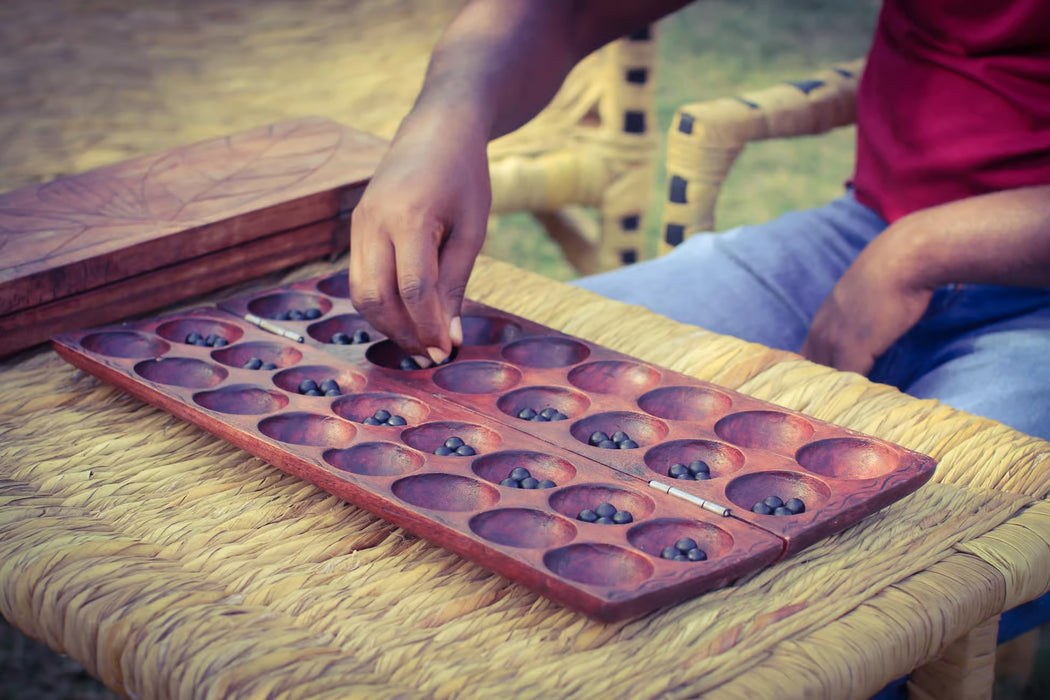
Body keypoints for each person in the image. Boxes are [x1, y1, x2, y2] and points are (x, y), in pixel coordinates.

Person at [348, 0, 1050, 440]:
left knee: (910, 561)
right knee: (510, 382)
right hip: (860, 236)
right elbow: (564, 11)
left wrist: (921, 251)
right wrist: (447, 118)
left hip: (992, 284)